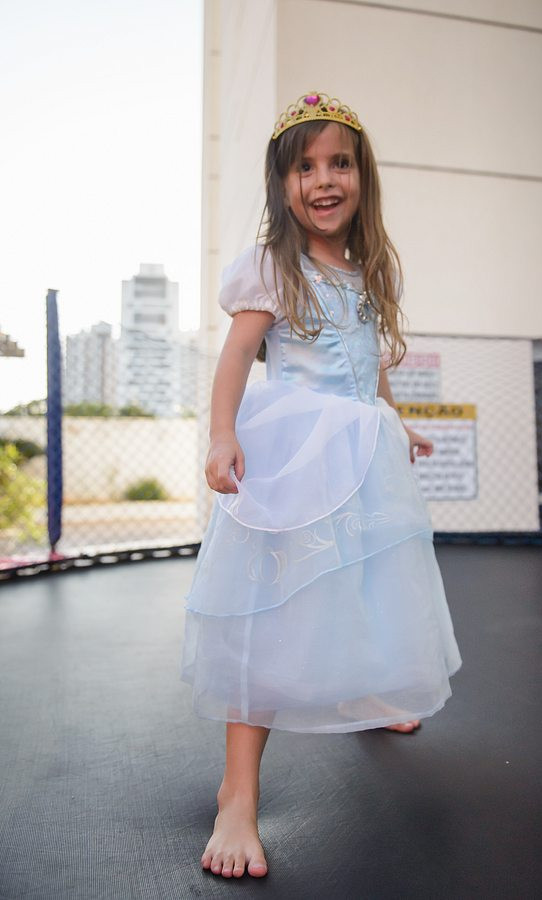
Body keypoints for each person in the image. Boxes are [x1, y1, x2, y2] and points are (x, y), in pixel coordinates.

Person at [181, 92, 462, 879]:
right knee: (271, 614)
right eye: (304, 167)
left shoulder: (371, 271)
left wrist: (395, 422)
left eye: (339, 163)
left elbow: (368, 365)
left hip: (363, 457)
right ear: (283, 185)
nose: (324, 179)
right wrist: (223, 434)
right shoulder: (275, 266)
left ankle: (368, 694)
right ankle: (237, 796)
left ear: (361, 176)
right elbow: (236, 358)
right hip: (296, 457)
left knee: (366, 587)